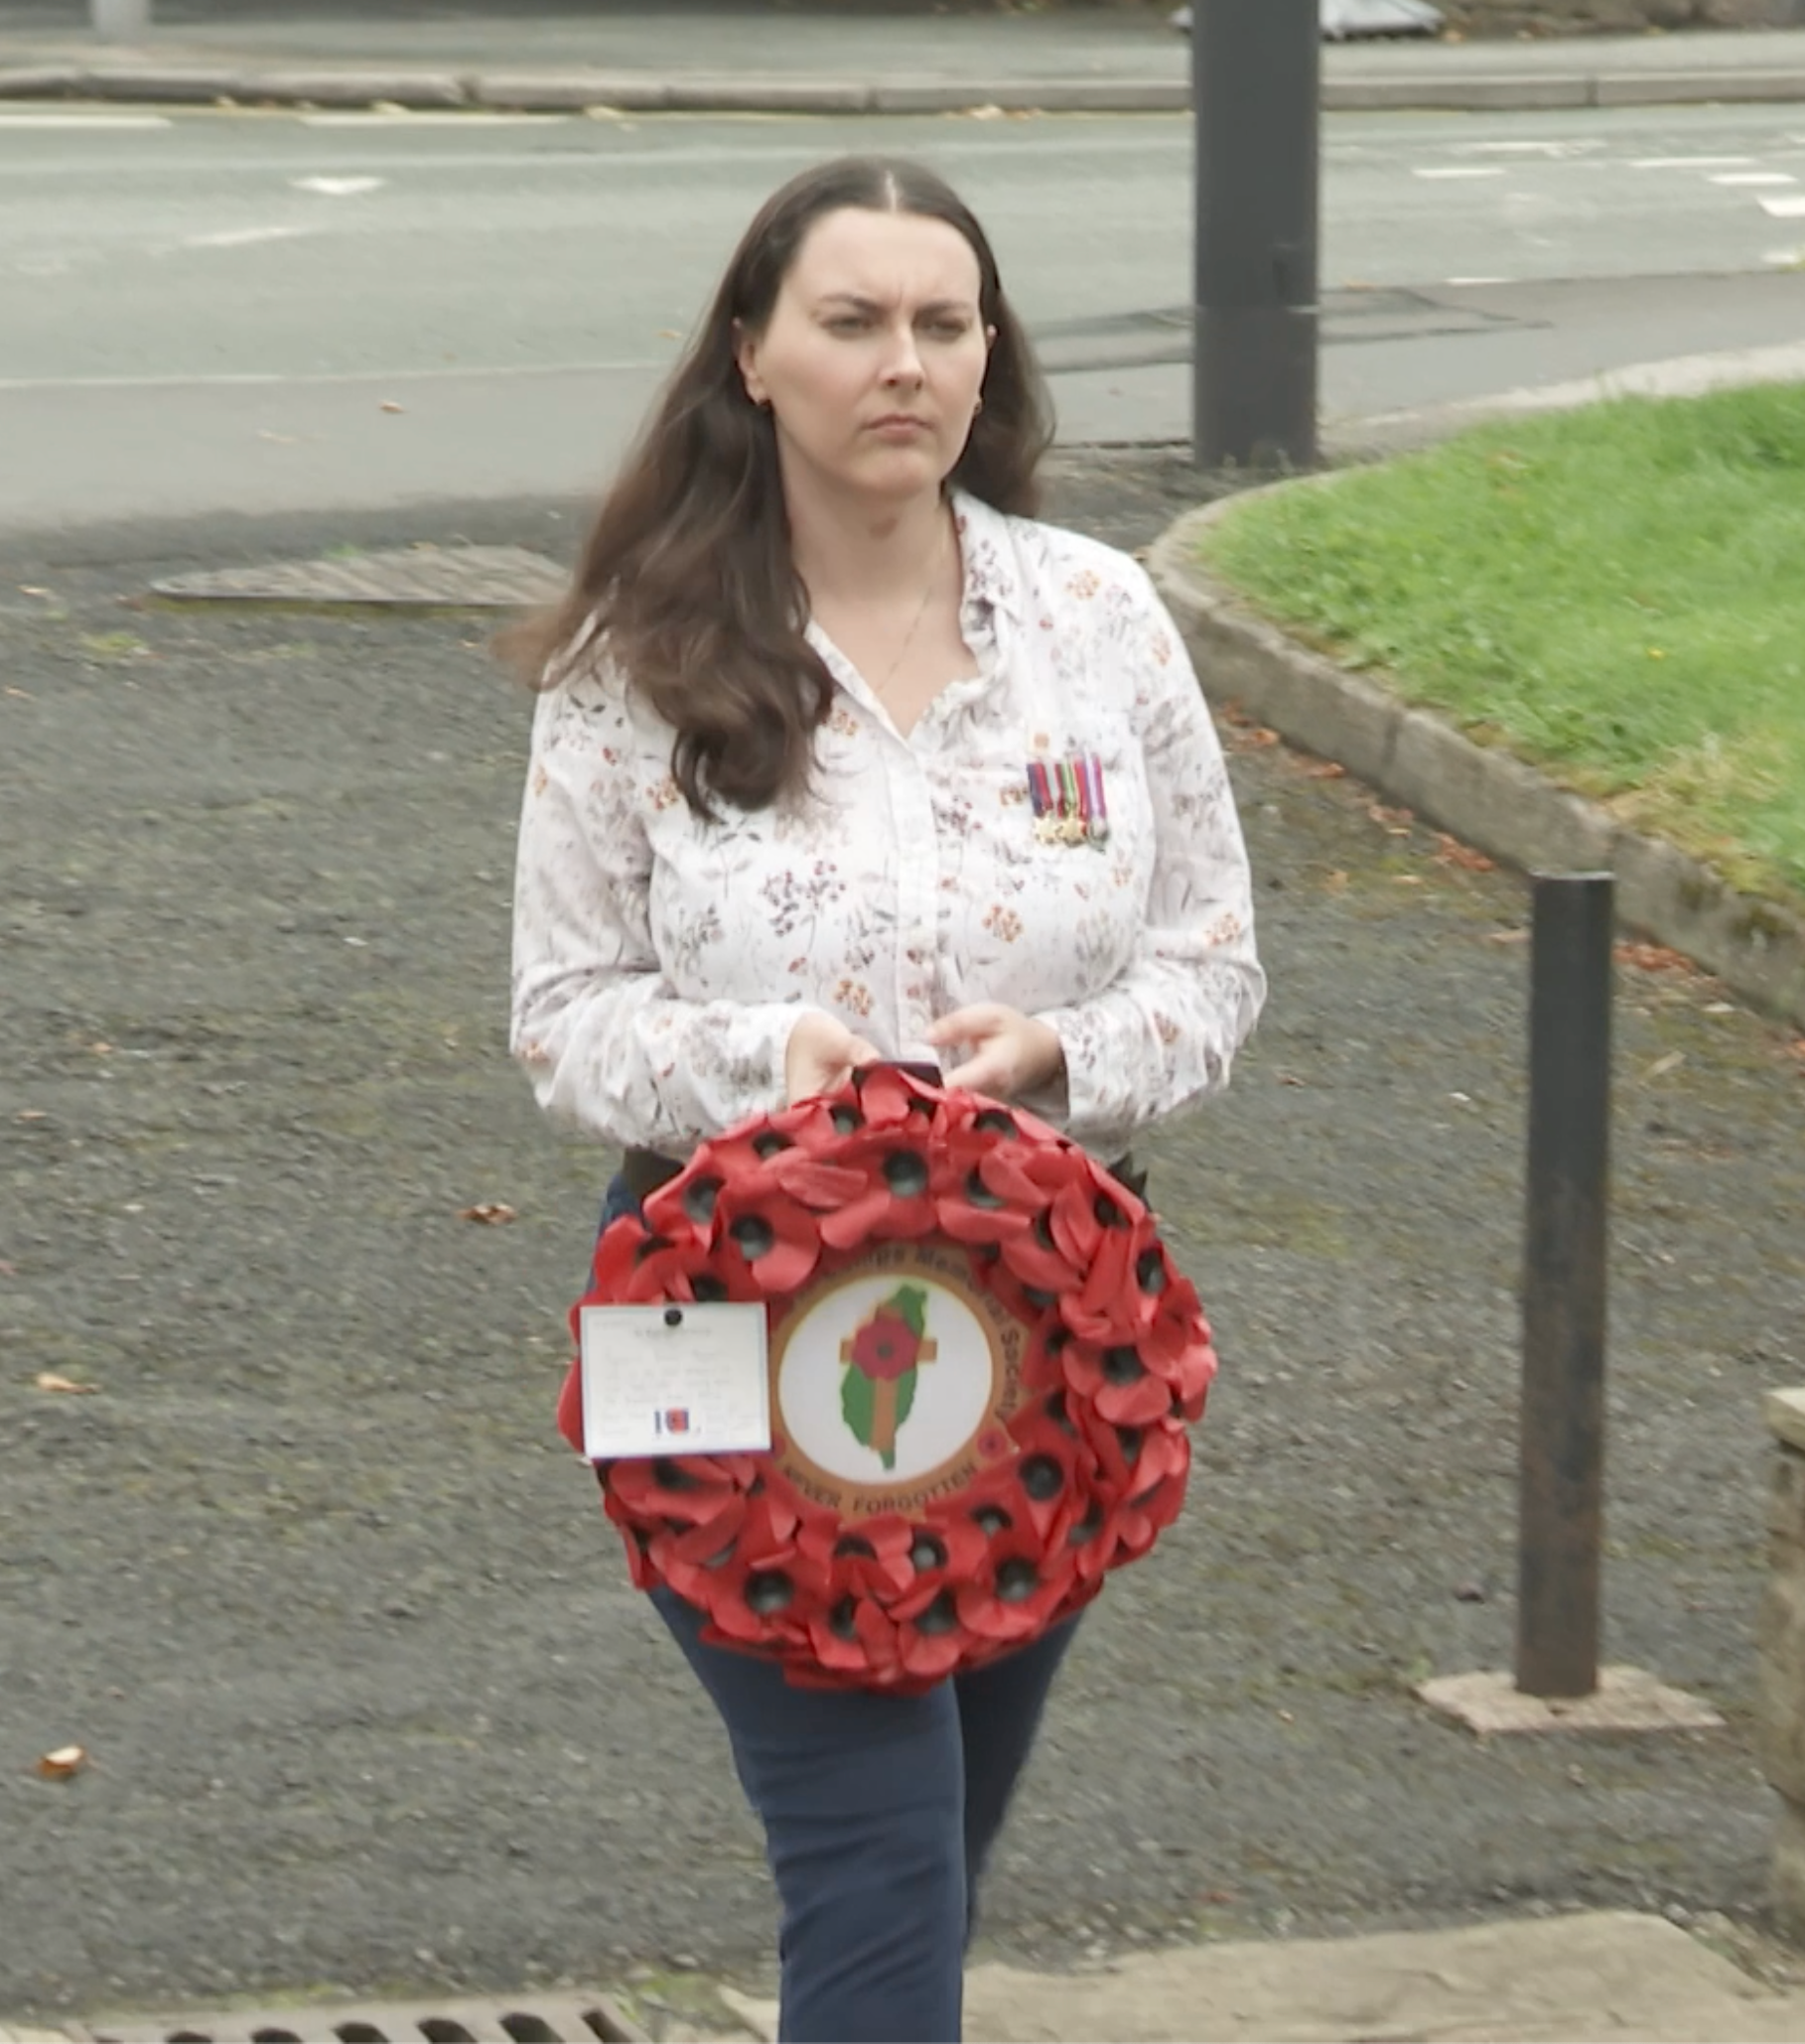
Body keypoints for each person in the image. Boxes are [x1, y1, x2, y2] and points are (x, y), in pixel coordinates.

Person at [499, 155, 1265, 2042]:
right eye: (851, 322)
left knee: (929, 1838)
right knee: (883, 1843)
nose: (901, 364)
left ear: (988, 355)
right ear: (753, 355)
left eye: (943, 323)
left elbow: (1214, 967)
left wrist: (1066, 1060)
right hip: (718, 1320)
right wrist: (771, 1068)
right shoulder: (635, 654)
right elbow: (564, 1015)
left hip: (1045, 1322)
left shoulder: (1100, 619)